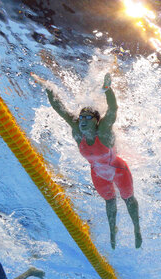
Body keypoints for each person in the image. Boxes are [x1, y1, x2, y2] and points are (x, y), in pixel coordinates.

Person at [32, 72, 142, 249]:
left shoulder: (104, 132)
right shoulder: (77, 131)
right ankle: (113, 230)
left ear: (96, 121)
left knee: (128, 198)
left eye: (87, 118)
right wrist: (48, 87)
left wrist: (108, 90)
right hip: (98, 173)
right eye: (81, 117)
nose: (82, 120)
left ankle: (136, 228)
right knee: (110, 201)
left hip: (117, 169)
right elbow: (59, 108)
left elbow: (113, 110)